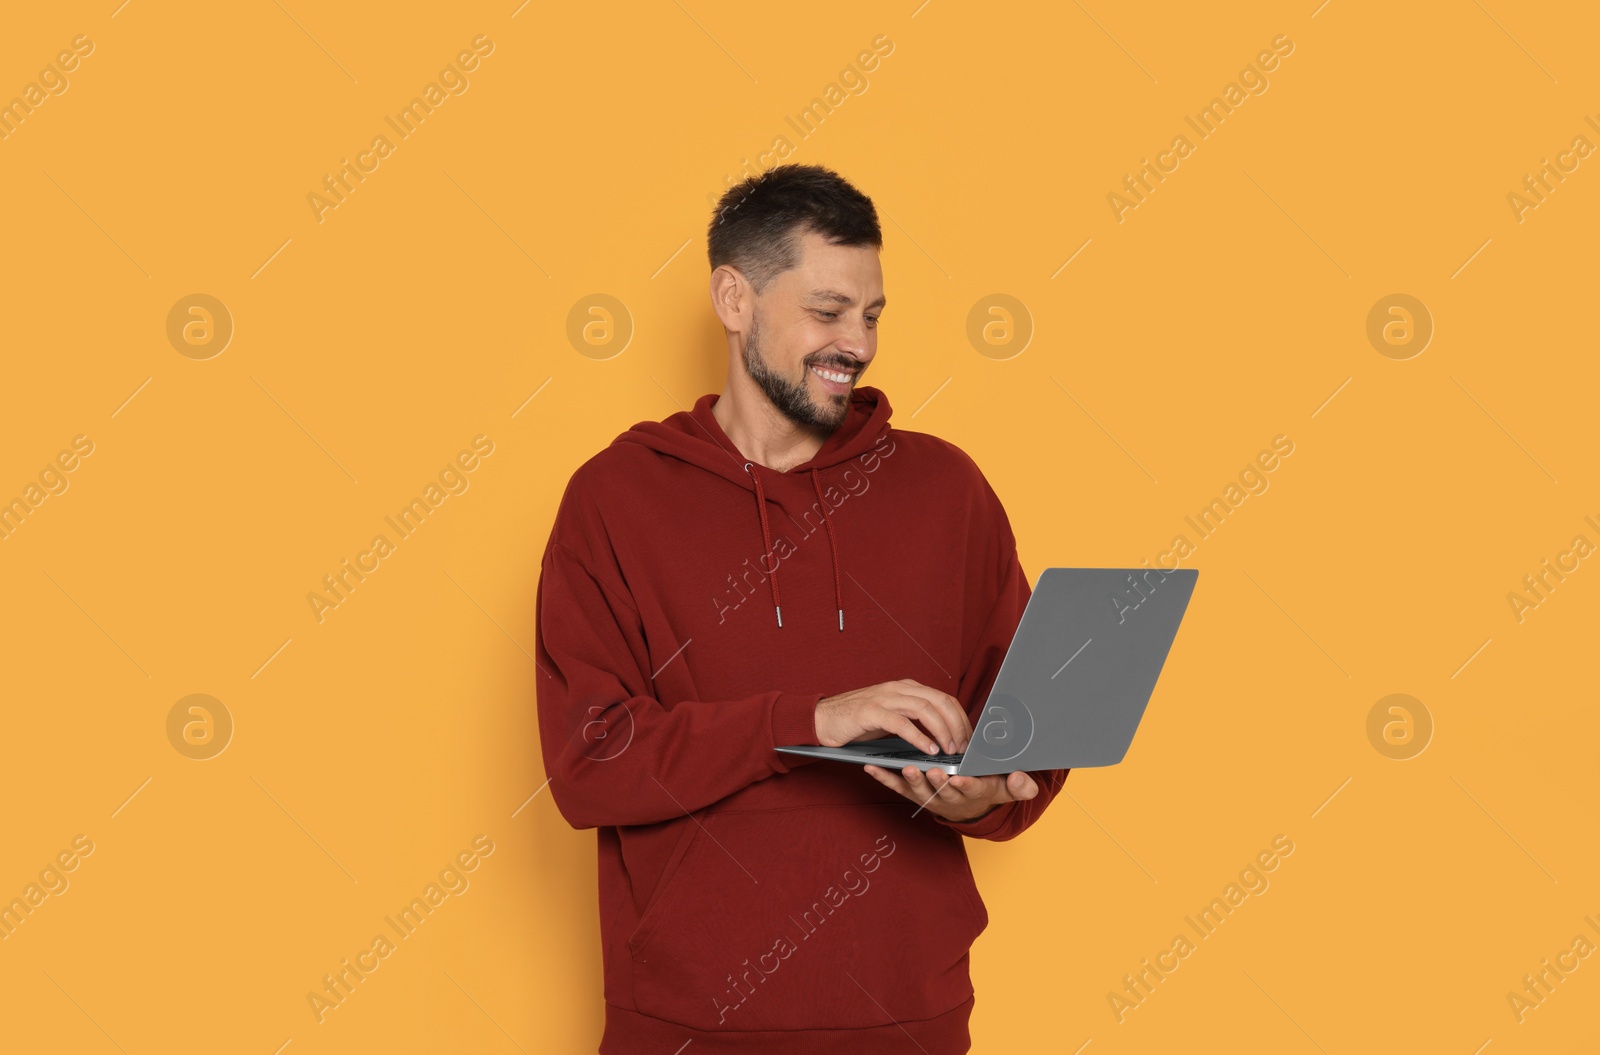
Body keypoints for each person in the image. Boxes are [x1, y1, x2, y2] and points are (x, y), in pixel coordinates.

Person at [535, 162, 1068, 1054]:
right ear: (734, 298)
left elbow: (1027, 742)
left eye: (871, 315)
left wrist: (979, 800)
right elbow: (590, 763)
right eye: (827, 312)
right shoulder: (615, 499)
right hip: (685, 1028)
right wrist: (810, 718)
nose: (856, 343)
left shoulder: (948, 490)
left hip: (912, 1024)